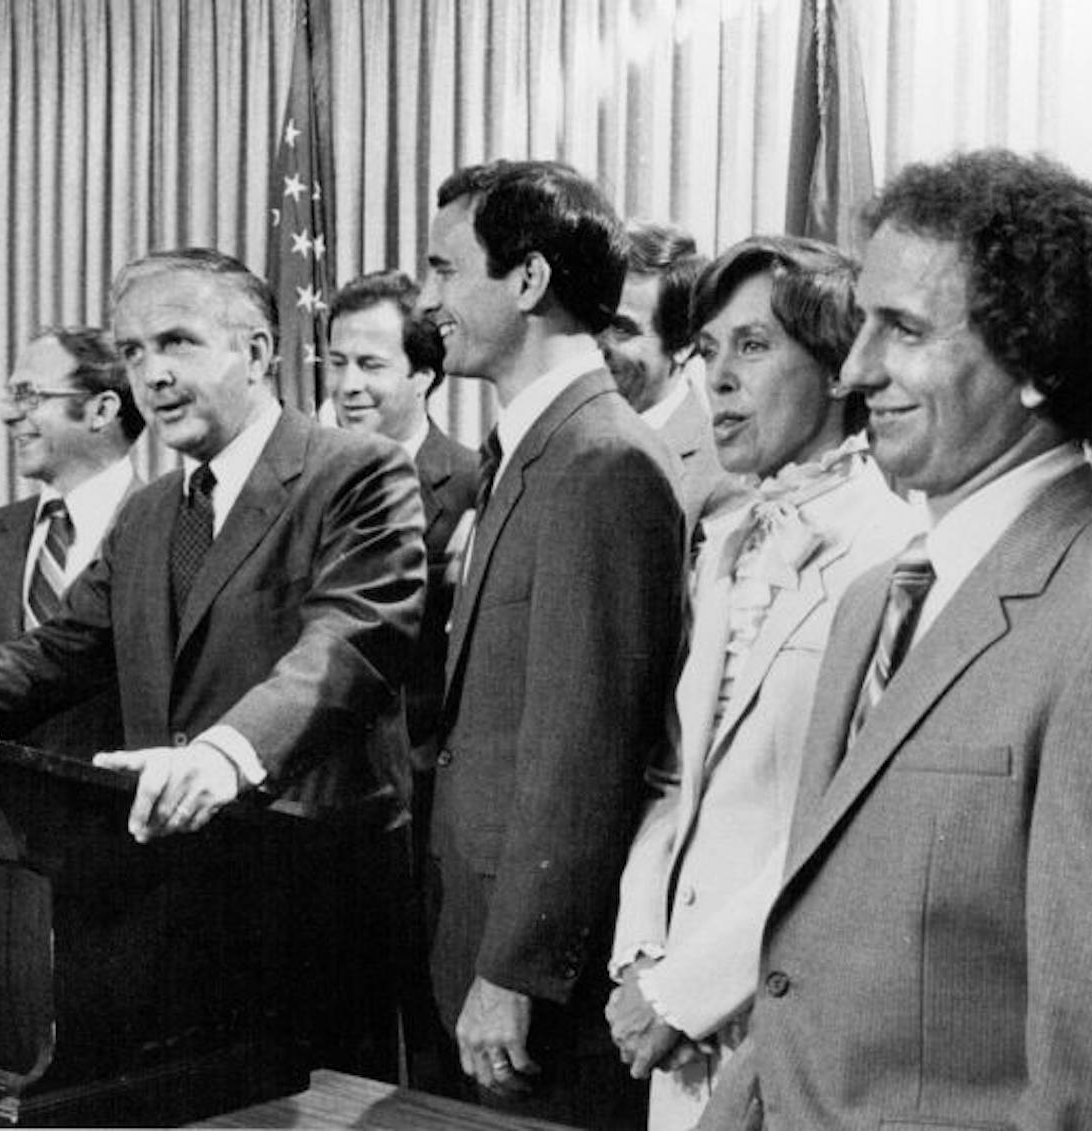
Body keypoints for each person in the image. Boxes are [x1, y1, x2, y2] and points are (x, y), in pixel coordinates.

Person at [700, 150, 1092, 1130]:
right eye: (864, 323)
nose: (854, 367)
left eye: (905, 329)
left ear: (1040, 361)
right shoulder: (871, 604)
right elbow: (810, 966)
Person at [0, 248, 426, 1078]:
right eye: (134, 353)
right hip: (172, 891)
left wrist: (223, 753)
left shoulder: (354, 471)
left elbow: (349, 643)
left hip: (311, 896)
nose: (153, 375)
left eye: (177, 342)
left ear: (257, 351)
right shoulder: (147, 511)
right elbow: (56, 654)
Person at [607, 235, 919, 1130]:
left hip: (801, 1026)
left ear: (836, 368)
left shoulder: (897, 553)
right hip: (676, 1027)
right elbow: (676, 777)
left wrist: (688, 990)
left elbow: (858, 829)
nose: (719, 380)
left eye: (753, 345)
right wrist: (643, 954)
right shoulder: (726, 544)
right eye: (707, 351)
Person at [421, 160, 685, 1129]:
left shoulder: (600, 460)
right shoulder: (540, 451)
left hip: (531, 990)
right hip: (484, 947)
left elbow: (586, 751)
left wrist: (513, 971)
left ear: (527, 281)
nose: (428, 300)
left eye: (445, 271)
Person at [325, 267, 480, 1090]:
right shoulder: (313, 482)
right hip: (323, 824)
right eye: (337, 362)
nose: (348, 385)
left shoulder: (473, 484)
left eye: (371, 365)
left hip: (425, 827)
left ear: (423, 373)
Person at [0, 327, 141, 756]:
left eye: (29, 395)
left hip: (120, 813)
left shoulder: (164, 531)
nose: (7, 415)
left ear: (101, 410)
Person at [601, 221, 747, 541]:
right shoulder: (558, 435)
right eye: (593, 320)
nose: (596, 344)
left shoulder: (725, 479)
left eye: (622, 328)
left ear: (684, 345)